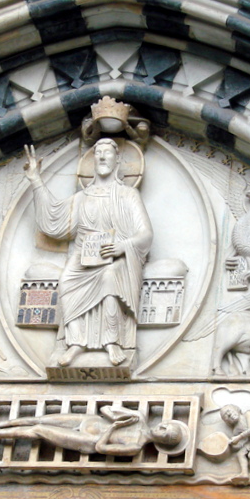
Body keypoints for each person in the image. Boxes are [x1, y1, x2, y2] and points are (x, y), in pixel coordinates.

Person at [24, 138, 153, 367]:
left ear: (117, 159)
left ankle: (112, 341)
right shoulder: (82, 197)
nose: (102, 157)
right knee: (66, 280)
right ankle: (76, 342)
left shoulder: (128, 195)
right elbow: (54, 219)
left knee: (110, 277)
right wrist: (35, 180)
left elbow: (146, 234)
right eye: (98, 153)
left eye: (107, 152)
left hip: (114, 257)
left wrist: (123, 246)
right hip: (83, 257)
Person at [0, 405, 184, 457]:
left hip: (85, 439)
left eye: (165, 433)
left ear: (163, 442)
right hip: (88, 420)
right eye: (165, 425)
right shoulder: (138, 417)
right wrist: (116, 418)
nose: (161, 427)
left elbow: (101, 448)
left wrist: (113, 428)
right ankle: (1, 424)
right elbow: (105, 409)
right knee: (40, 418)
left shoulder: (135, 446)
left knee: (39, 429)